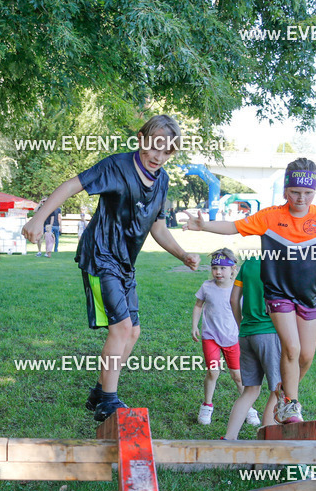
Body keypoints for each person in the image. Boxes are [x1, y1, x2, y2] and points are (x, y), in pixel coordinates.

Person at [23, 114, 201, 421]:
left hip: (124, 264)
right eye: (154, 145)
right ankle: (108, 400)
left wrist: (182, 254)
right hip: (99, 256)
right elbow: (70, 186)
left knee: (133, 332)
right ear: (142, 139)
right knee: (120, 328)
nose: (158, 155)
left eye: (167, 150)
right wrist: (39, 217)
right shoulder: (116, 166)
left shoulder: (163, 181)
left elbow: (158, 228)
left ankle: (98, 392)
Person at [188, 158, 316, 423]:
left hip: (309, 297)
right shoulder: (271, 217)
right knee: (292, 348)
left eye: (307, 193)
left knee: (306, 357)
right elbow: (234, 227)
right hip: (278, 296)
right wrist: (203, 225)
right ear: (286, 189)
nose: (301, 198)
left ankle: (281, 392)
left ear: (315, 191)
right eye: (295, 192)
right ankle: (290, 403)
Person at [224, 255, 282, 439]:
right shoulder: (281, 263)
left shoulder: (249, 263)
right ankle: (267, 442)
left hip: (247, 334)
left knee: (250, 390)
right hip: (270, 332)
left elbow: (234, 300)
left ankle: (229, 438)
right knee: (278, 390)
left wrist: (241, 324)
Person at [192, 248, 249, 427]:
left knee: (238, 376)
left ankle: (248, 408)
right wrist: (194, 325)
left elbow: (246, 311)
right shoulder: (207, 287)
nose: (218, 272)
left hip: (233, 338)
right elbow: (198, 305)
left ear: (233, 269)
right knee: (213, 372)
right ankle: (207, 406)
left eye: (223, 268)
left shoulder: (239, 289)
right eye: (214, 268)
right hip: (211, 337)